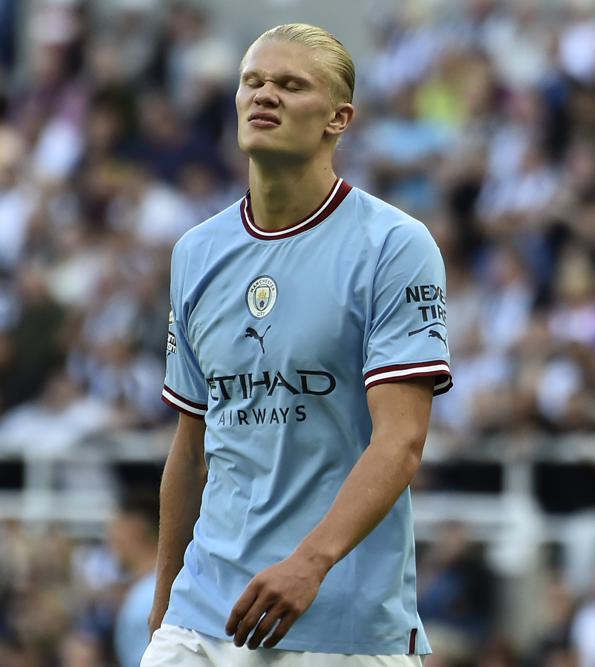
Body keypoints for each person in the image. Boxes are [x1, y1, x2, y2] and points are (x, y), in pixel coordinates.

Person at [144, 23, 452, 666]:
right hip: (201, 615)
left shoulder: (394, 247)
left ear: (339, 118)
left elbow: (402, 440)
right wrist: (164, 601)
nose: (265, 96)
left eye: (290, 85)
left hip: (339, 623)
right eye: (253, 81)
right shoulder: (196, 253)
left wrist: (311, 564)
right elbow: (192, 442)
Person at [112, 493, 161, 667]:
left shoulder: (149, 596)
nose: (112, 539)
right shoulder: (147, 590)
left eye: (117, 528)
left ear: (135, 530)